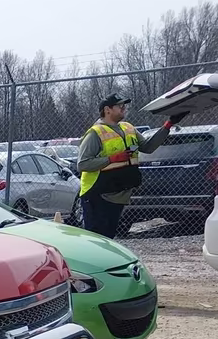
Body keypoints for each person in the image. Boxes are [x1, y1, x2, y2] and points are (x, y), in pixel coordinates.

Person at [77, 94, 189, 237]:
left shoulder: (128, 128)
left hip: (117, 194)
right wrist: (112, 158)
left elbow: (148, 147)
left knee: (108, 238)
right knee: (96, 239)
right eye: (120, 105)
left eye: (125, 105)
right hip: (97, 196)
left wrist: (168, 124)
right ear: (107, 110)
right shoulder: (95, 133)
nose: (124, 108)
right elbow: (83, 164)